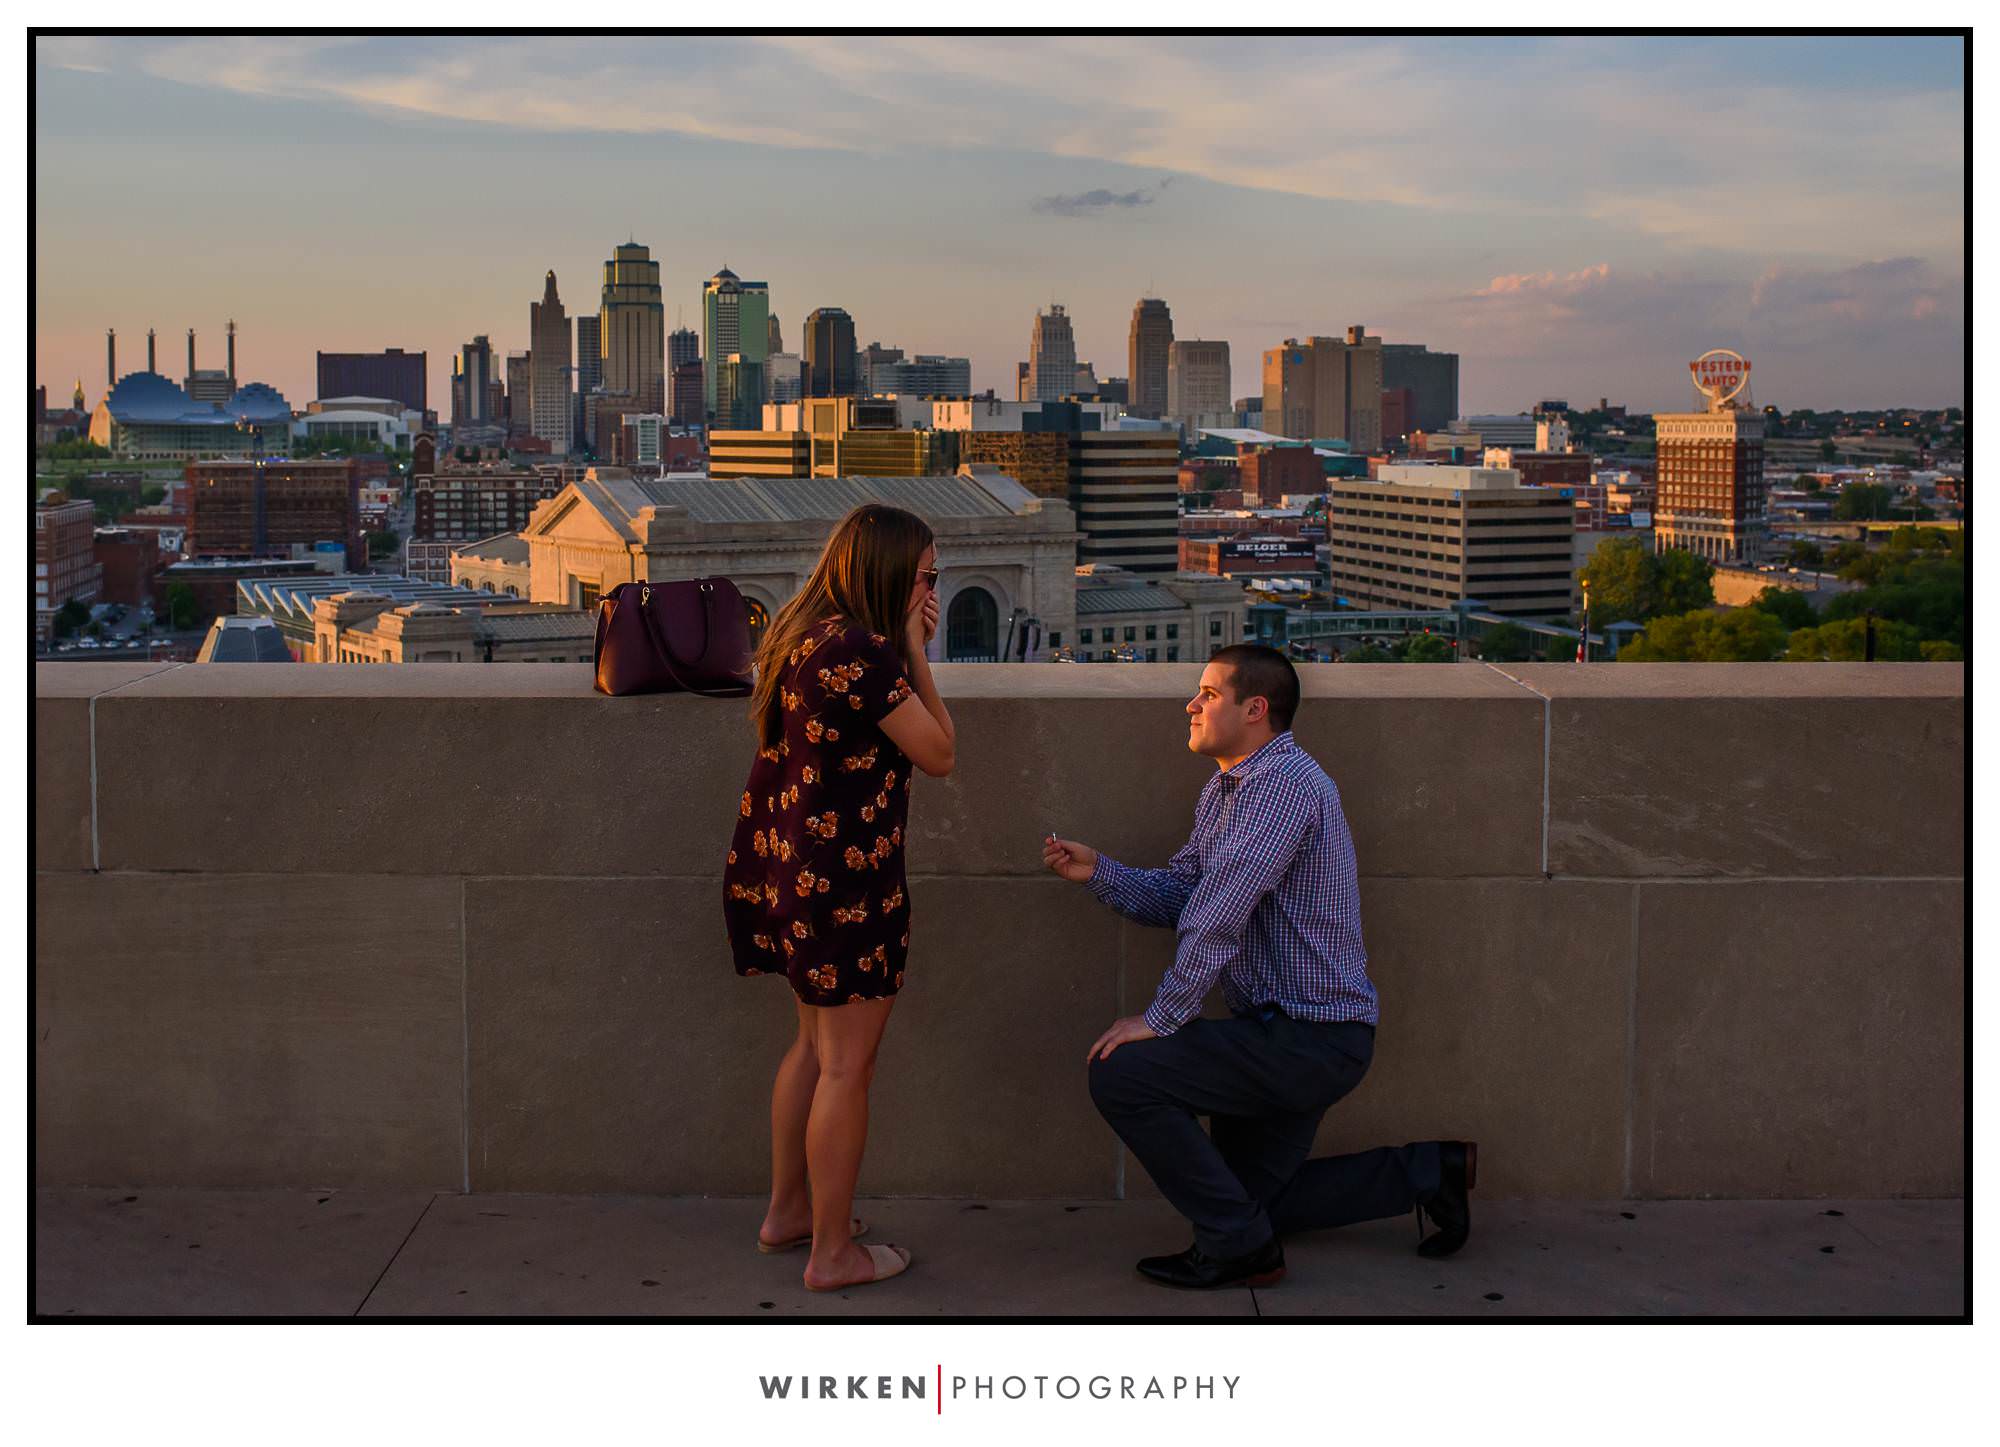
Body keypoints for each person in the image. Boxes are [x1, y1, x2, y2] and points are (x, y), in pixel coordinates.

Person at [1043, 644, 1475, 1290]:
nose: (1191, 704)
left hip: (1307, 1039)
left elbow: (1216, 914)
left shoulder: (1282, 789)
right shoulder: (1229, 791)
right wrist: (1100, 871)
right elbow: (1183, 892)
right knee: (1247, 1201)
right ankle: (1427, 1172)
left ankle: (1241, 1252)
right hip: (1288, 1035)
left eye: (1208, 694)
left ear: (1255, 709)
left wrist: (1162, 1018)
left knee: (1124, 1075)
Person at [723, 504, 955, 1292]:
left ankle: (789, 1212)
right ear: (891, 574)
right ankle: (831, 1252)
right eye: (928, 576)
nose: (931, 589)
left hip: (792, 877)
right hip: (848, 889)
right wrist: (919, 649)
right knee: (847, 1068)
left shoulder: (805, 634)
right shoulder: (865, 653)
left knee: (814, 1053)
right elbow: (940, 751)